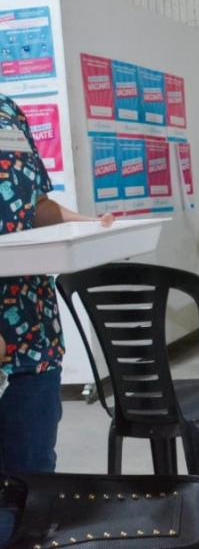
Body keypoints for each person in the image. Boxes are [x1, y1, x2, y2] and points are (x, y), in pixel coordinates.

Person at [0, 94, 114, 543]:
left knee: (32, 480)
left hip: (31, 330)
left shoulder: (8, 111)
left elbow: (35, 204)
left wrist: (80, 223)